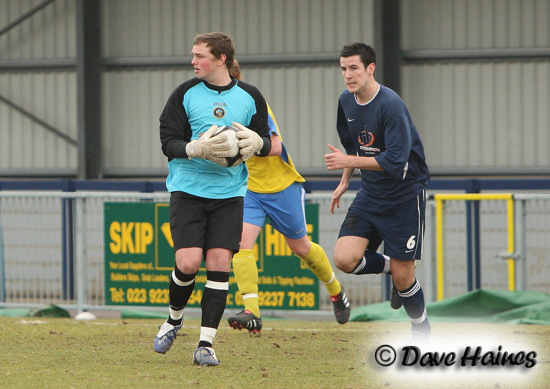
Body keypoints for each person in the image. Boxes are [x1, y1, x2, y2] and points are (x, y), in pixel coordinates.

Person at [154, 32, 272, 366]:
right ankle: (174, 319)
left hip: (229, 195)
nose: (193, 61)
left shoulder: (250, 96)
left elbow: (266, 139)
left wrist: (255, 145)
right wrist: (194, 148)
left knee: (219, 263)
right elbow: (168, 141)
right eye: (193, 55)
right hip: (188, 191)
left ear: (220, 59)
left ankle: (206, 344)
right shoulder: (185, 94)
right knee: (189, 263)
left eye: (200, 56)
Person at [226, 61, 351, 334]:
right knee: (241, 244)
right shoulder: (214, 110)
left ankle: (335, 290)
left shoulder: (252, 102)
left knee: (301, 248)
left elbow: (276, 146)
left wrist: (252, 144)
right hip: (250, 191)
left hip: (282, 187)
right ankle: (253, 313)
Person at [324, 42, 431, 344]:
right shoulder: (346, 101)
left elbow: (396, 160)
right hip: (370, 194)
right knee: (344, 258)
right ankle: (393, 266)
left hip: (404, 196)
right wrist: (345, 180)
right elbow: (352, 148)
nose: (347, 74)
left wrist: (349, 163)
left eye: (354, 67)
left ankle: (421, 327)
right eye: (343, 68)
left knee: (404, 277)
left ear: (370, 68)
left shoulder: (391, 104)